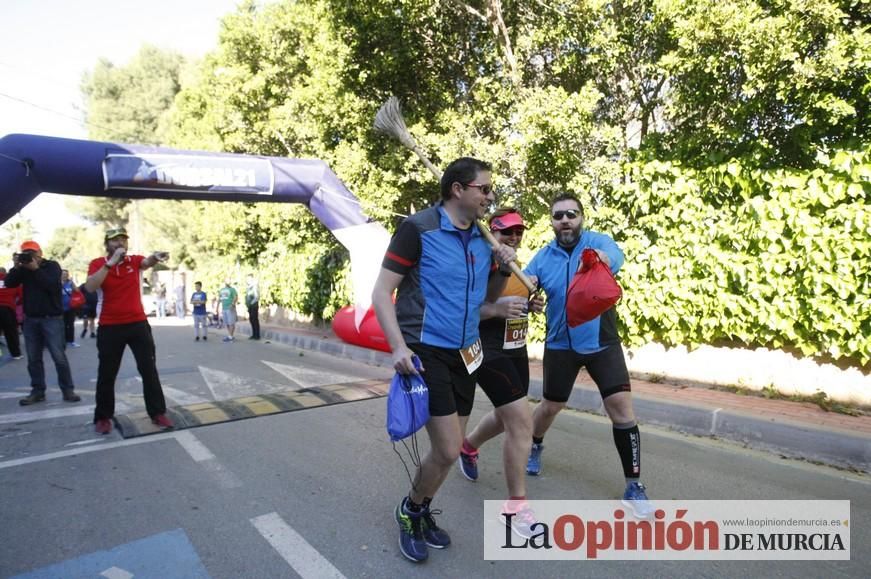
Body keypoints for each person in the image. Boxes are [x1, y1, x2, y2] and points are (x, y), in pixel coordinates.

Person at [371, 157, 516, 563]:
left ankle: (420, 506)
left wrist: (503, 268)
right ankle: (410, 509)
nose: (490, 196)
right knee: (450, 448)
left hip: (467, 351)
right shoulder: (418, 230)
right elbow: (382, 293)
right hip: (426, 349)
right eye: (484, 189)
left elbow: (487, 300)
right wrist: (399, 347)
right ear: (458, 190)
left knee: (445, 453)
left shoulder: (481, 240)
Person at [523, 193, 652, 518]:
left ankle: (634, 485)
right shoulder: (543, 257)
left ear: (581, 217)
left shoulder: (597, 243)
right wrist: (530, 298)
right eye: (558, 215)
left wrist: (601, 261)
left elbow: (615, 258)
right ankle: (535, 444)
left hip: (601, 342)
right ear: (551, 222)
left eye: (571, 214)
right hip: (560, 344)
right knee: (551, 405)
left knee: (621, 409)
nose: (565, 220)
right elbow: (525, 285)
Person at [456, 208, 544, 538]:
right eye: (507, 232)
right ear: (491, 231)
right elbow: (463, 309)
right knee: (522, 421)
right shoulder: (479, 261)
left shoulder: (516, 266)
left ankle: (468, 445)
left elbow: (515, 303)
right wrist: (496, 308)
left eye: (519, 231)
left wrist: (528, 306)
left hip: (514, 346)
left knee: (507, 414)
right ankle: (516, 506)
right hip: (485, 349)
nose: (514, 237)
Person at [85, 227, 173, 435]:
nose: (120, 243)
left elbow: (147, 262)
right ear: (107, 244)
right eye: (115, 240)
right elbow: (90, 287)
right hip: (109, 326)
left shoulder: (134, 261)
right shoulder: (98, 264)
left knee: (149, 369)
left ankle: (157, 412)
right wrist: (110, 264)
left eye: (123, 239)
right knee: (107, 373)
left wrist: (155, 256)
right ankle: (103, 417)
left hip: (137, 324)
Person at [4, 241, 81, 405]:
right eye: (26, 253)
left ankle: (68, 390)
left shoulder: (52, 266)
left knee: (59, 357)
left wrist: (36, 269)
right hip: (31, 319)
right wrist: (16, 266)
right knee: (33, 359)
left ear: (40, 252)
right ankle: (38, 391)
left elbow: (52, 286)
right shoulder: (23, 269)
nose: (29, 256)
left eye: (32, 252)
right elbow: (10, 283)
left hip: (52, 318)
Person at [0, 267, 23, 359]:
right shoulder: (12, 281)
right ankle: (16, 354)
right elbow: (21, 296)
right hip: (7, 308)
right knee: (11, 332)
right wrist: (16, 303)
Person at [61, 269, 80, 348]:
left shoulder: (70, 283)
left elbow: (77, 291)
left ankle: (71, 341)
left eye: (66, 274)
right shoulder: (57, 283)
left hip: (71, 307)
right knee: (63, 325)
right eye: (63, 274)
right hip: (61, 308)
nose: (65, 275)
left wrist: (73, 284)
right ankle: (63, 341)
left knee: (71, 325)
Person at [245, 274, 260, 340]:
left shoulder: (254, 286)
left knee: (254, 319)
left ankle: (257, 335)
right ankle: (253, 334)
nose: (247, 280)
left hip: (254, 305)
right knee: (251, 320)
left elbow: (257, 297)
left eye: (248, 279)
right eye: (247, 279)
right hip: (250, 306)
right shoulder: (248, 287)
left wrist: (251, 303)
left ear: (251, 279)